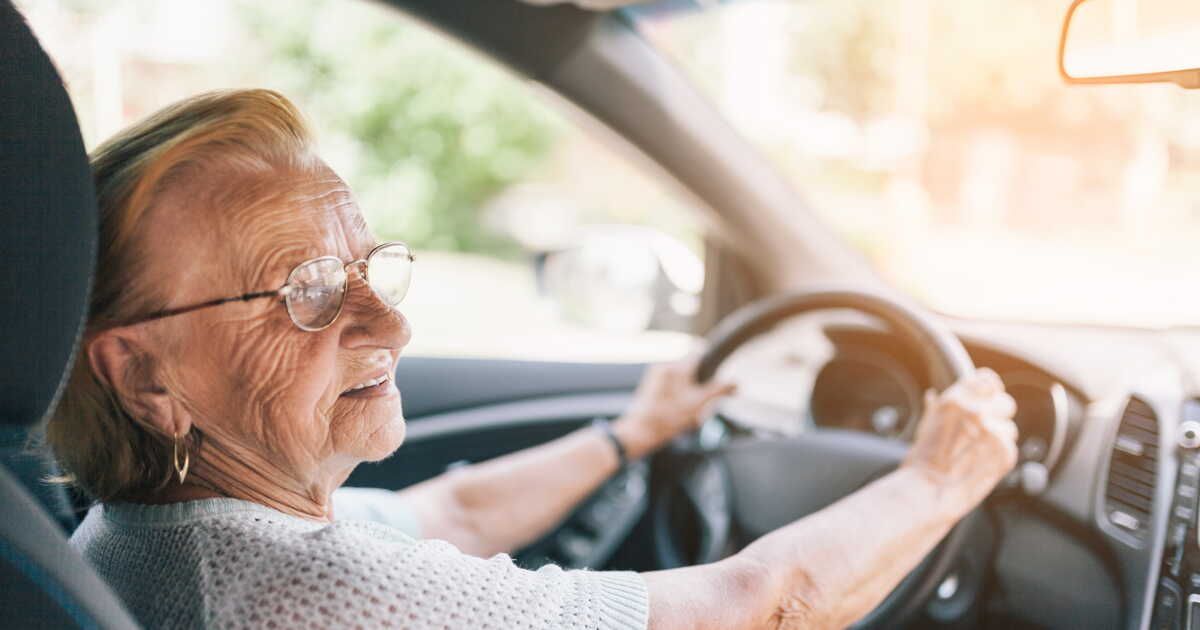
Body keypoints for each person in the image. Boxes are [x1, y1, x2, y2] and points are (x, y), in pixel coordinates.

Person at [48, 89, 1018, 630]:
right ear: (143, 378)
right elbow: (763, 603)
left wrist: (629, 435)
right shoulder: (298, 591)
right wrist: (941, 478)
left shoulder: (157, 537)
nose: (389, 324)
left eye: (369, 267)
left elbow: (455, 511)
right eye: (303, 290)